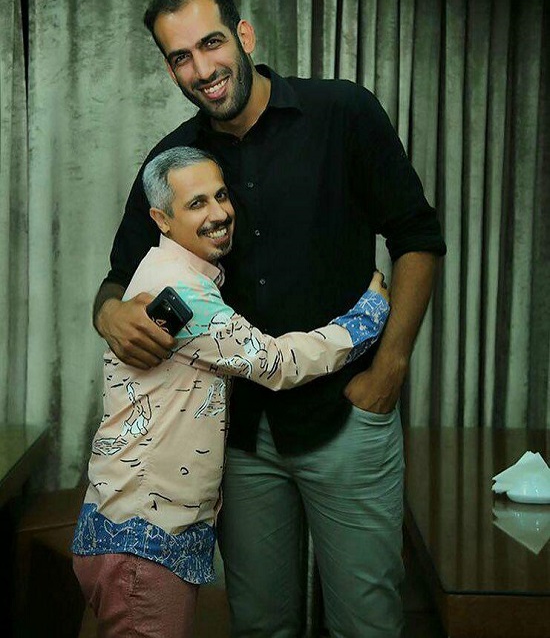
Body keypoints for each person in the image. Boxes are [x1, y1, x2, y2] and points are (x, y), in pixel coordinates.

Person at [92, 0, 446, 638]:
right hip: (241, 439)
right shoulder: (174, 162)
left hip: (348, 414)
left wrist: (390, 366)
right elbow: (118, 282)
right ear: (169, 69)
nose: (202, 69)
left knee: (368, 625)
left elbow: (417, 237)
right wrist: (109, 315)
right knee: (261, 625)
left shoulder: (342, 112)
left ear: (244, 35)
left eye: (211, 44)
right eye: (180, 57)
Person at [73, 146, 390, 638]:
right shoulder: (182, 293)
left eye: (221, 196)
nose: (219, 213)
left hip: (133, 530)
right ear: (161, 219)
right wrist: (367, 317)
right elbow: (277, 363)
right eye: (197, 203)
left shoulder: (172, 275)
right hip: (143, 544)